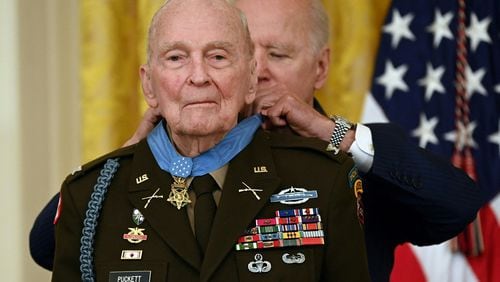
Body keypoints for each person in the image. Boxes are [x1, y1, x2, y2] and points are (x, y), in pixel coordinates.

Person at [32, 0, 484, 281]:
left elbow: (458, 205)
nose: (260, 69)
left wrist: (332, 133)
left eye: (278, 54)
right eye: (244, 51)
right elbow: (49, 245)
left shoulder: (339, 167)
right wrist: (135, 153)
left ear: (322, 67)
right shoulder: (172, 151)